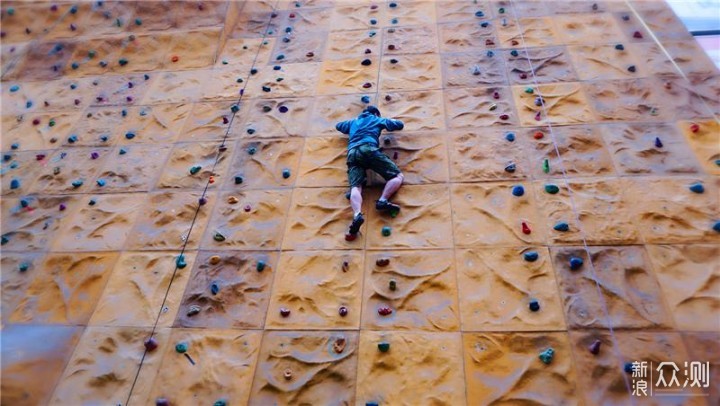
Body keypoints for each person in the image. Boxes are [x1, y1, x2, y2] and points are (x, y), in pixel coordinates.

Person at [335, 105, 405, 239]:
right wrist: (384, 121)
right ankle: (383, 200)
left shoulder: (353, 122)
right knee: (397, 176)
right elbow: (399, 124)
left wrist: (354, 123)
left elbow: (338, 126)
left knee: (356, 186)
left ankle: (357, 214)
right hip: (368, 149)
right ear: (375, 113)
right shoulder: (376, 119)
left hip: (352, 153)